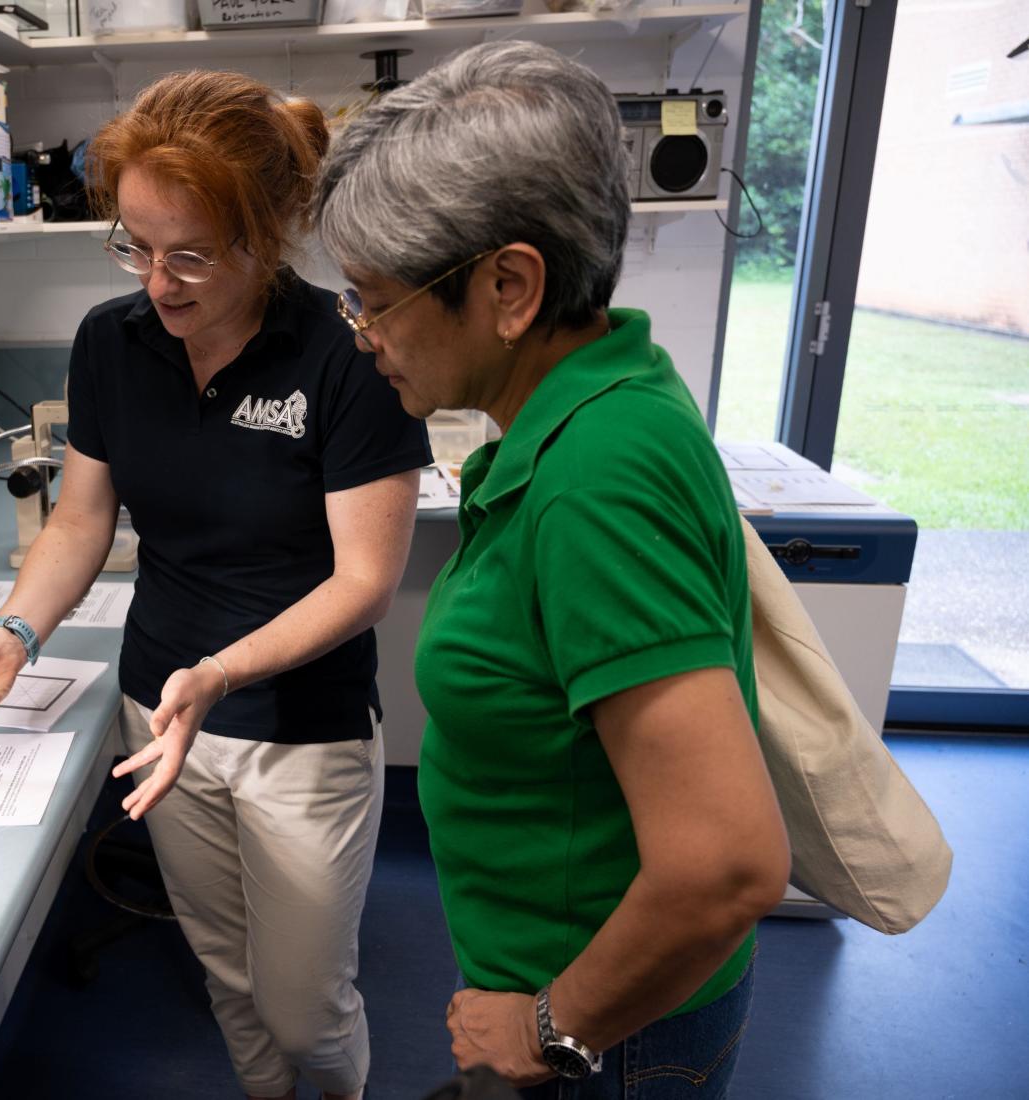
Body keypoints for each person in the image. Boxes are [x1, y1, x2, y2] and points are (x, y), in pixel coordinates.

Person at [0, 70, 432, 1100]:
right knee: (227, 967)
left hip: (297, 725)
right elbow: (83, 518)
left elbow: (363, 580)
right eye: (133, 245)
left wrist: (220, 670)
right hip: (159, 707)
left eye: (188, 254)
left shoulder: (346, 354)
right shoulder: (112, 342)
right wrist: (13, 633)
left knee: (307, 1001)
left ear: (266, 235)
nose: (157, 281)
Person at [311, 41, 792, 1099]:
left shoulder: (596, 478)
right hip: (591, 985)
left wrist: (549, 1024)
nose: (363, 335)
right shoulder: (588, 408)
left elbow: (728, 861)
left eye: (376, 300)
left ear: (510, 285)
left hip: (611, 1024)